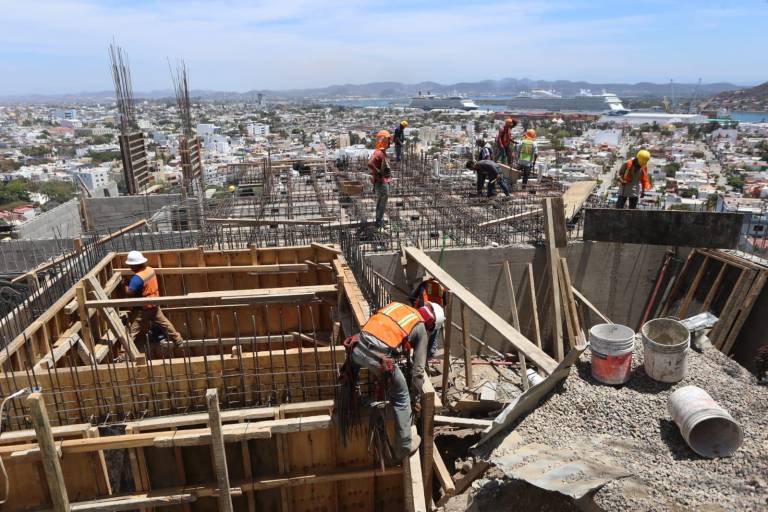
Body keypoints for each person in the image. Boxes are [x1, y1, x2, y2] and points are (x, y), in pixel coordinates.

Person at [342, 301, 445, 460]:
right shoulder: (421, 327)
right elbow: (418, 371)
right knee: (402, 397)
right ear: (431, 324)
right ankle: (404, 446)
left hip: (356, 347)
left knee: (351, 380)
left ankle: (354, 402)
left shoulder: (398, 307)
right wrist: (414, 397)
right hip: (377, 358)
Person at [124, 250, 183, 348]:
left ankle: (124, 352)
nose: (130, 267)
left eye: (130, 265)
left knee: (133, 331)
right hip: (154, 303)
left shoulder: (137, 278)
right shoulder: (150, 270)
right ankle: (178, 340)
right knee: (165, 324)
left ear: (134, 265)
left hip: (144, 309)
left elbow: (129, 293)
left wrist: (125, 285)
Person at [410, 277, 448, 358]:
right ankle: (430, 354)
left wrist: (415, 308)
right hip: (436, 315)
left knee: (421, 336)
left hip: (423, 313)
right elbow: (445, 303)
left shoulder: (424, 284)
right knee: (434, 333)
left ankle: (418, 354)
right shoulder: (443, 288)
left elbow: (412, 297)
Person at [367, 130, 392, 228]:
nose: (390, 142)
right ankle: (379, 222)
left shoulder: (382, 152)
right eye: (388, 140)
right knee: (382, 203)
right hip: (381, 183)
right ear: (384, 140)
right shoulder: (378, 152)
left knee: (382, 203)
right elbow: (370, 163)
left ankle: (379, 221)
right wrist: (378, 171)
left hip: (383, 182)